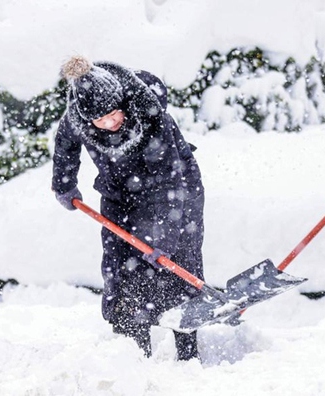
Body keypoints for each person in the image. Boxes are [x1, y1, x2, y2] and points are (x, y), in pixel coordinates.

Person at [52, 55, 205, 359]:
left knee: (177, 265)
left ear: (122, 102)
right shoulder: (78, 116)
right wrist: (63, 183)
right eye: (99, 120)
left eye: (112, 114)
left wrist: (163, 239)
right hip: (119, 192)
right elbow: (65, 144)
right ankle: (133, 355)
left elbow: (169, 181)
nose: (108, 124)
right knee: (120, 268)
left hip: (175, 185)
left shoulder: (149, 112)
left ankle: (187, 354)